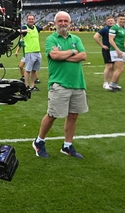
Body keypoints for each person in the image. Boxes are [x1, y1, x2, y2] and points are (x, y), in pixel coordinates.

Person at [32, 11, 88, 159]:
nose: (63, 23)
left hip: (77, 83)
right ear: (55, 23)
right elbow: (54, 56)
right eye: (60, 21)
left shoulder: (76, 38)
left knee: (74, 115)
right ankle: (39, 141)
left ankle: (67, 145)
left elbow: (83, 55)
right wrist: (72, 53)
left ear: (69, 23)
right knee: (52, 115)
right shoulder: (51, 39)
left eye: (66, 21)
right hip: (59, 83)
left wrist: (65, 54)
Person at [21, 14, 48, 91]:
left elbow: (43, 28)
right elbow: (18, 31)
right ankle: (26, 86)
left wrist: (48, 25)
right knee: (28, 70)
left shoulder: (36, 27)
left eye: (32, 19)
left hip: (37, 52)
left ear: (34, 20)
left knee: (34, 70)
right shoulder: (24, 27)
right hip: (29, 52)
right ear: (27, 20)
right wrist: (24, 31)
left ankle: (32, 86)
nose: (31, 20)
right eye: (29, 19)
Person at [93, 17, 119, 91]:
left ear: (114, 21)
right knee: (109, 66)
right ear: (106, 22)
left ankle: (112, 82)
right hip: (107, 49)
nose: (110, 22)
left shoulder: (115, 29)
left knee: (112, 67)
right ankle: (105, 82)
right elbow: (95, 36)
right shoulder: (105, 29)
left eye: (111, 20)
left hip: (114, 49)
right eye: (109, 21)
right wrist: (102, 45)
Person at [107, 15, 125, 91]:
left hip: (121, 50)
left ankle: (115, 85)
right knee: (120, 68)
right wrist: (117, 50)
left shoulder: (122, 29)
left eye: (123, 19)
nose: (122, 20)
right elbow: (111, 40)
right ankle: (112, 85)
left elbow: (123, 41)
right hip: (115, 50)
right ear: (117, 19)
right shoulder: (114, 28)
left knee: (120, 68)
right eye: (121, 19)